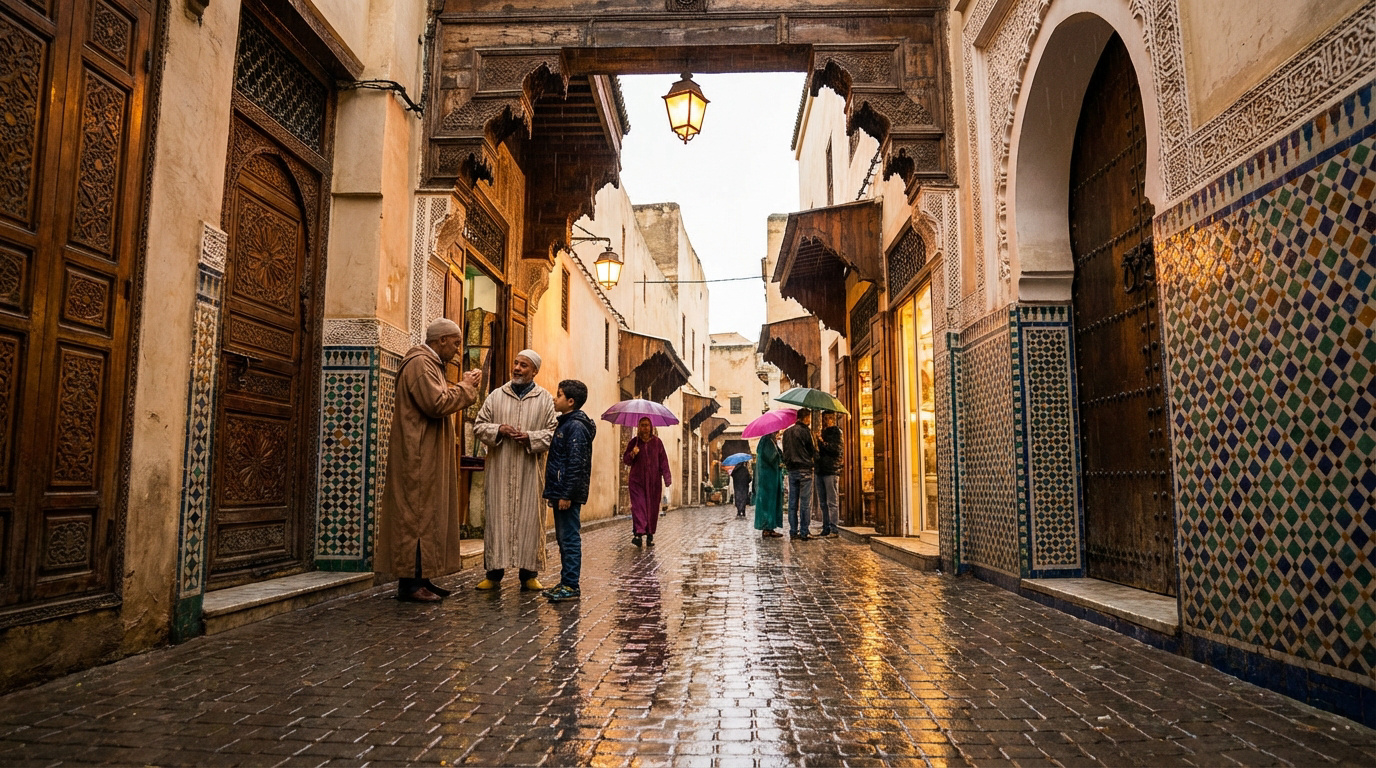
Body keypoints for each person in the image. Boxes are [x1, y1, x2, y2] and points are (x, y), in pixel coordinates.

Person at [377, 318, 482, 603]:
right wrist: (466, 387)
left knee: (425, 514)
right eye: (456, 343)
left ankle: (422, 578)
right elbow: (436, 404)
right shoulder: (421, 364)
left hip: (424, 454)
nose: (458, 350)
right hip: (417, 455)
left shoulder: (430, 364)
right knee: (416, 515)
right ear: (441, 340)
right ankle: (410, 585)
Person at [473, 349, 557, 591]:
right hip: (500, 470)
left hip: (530, 472)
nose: (517, 368)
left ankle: (529, 574)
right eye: (516, 363)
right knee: (497, 521)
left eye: (524, 365)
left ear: (534, 371)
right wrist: (499, 429)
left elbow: (553, 433)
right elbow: (479, 426)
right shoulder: (496, 396)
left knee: (530, 521)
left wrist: (529, 437)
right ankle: (493, 574)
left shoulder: (544, 400)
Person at [542, 380, 595, 603]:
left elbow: (576, 464)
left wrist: (566, 495)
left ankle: (571, 585)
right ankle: (566, 582)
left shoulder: (575, 427)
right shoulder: (566, 424)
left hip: (568, 494)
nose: (555, 398)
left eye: (559, 395)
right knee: (564, 539)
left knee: (570, 538)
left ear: (570, 401)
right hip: (561, 491)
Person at [624, 416, 671, 546]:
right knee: (638, 506)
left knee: (652, 508)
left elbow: (663, 461)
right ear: (639, 427)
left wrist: (667, 478)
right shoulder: (634, 443)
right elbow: (626, 460)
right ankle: (639, 534)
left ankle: (649, 533)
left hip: (653, 482)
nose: (644, 428)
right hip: (636, 481)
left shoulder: (657, 443)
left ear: (651, 427)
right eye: (642, 425)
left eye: (647, 425)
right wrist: (632, 454)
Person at [782, 408, 816, 540]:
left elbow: (785, 451)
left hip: (792, 471)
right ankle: (804, 531)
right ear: (806, 418)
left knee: (792, 503)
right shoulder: (806, 432)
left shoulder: (787, 433)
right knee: (805, 503)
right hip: (805, 470)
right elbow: (812, 450)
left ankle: (793, 531)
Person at [815, 411, 843, 538]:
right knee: (822, 502)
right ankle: (825, 527)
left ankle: (834, 528)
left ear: (832, 419)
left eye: (827, 419)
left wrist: (822, 442)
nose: (825, 421)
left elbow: (836, 450)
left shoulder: (837, 432)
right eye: (824, 419)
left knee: (832, 501)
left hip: (831, 470)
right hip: (820, 470)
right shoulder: (823, 432)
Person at [753, 432, 783, 538]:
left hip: (770, 478)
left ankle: (770, 527)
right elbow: (771, 457)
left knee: (770, 502)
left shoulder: (769, 441)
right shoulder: (766, 441)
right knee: (768, 503)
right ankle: (767, 527)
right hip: (768, 478)